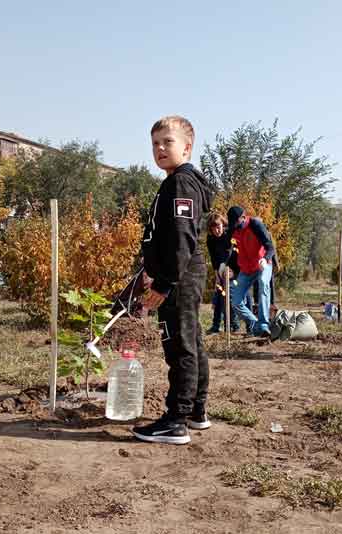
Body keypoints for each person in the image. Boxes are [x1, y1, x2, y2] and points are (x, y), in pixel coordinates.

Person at [134, 116, 213, 445]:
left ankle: (176, 420)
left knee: (179, 343)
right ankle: (196, 411)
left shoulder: (180, 182)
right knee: (191, 340)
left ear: (187, 147)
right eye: (155, 143)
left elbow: (182, 237)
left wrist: (165, 282)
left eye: (167, 142)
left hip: (179, 276)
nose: (160, 149)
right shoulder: (178, 180)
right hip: (182, 273)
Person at [224, 206, 276, 337]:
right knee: (236, 301)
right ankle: (256, 324)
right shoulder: (233, 230)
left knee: (264, 283)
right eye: (232, 223)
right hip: (246, 269)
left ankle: (264, 324)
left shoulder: (255, 224)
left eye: (236, 222)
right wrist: (225, 265)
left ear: (242, 217)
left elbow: (270, 246)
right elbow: (233, 252)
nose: (234, 226)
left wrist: (265, 259)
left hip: (262, 265)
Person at [205, 213, 239, 335]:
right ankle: (215, 326)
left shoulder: (230, 234)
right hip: (220, 269)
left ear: (223, 224)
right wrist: (217, 276)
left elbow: (235, 253)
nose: (216, 230)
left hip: (232, 269)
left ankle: (233, 326)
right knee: (219, 296)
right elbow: (214, 258)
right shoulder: (210, 239)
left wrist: (233, 271)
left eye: (218, 226)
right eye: (213, 228)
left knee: (229, 297)